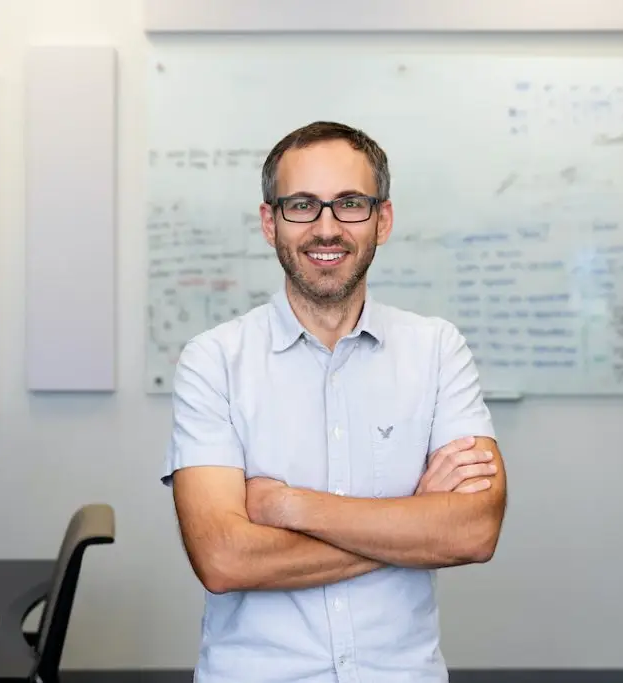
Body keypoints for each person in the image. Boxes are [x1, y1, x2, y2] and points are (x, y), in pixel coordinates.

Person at [161, 120, 507, 683]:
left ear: (383, 220)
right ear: (269, 222)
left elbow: (474, 533)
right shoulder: (213, 360)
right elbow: (224, 560)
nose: (326, 228)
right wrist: (412, 527)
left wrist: (289, 507)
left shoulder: (437, 349)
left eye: (349, 203)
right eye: (302, 205)